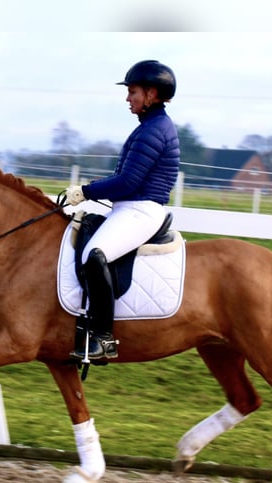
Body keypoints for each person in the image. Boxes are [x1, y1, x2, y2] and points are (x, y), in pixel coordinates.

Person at [64, 59, 180, 361]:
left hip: (140, 210)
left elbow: (128, 181)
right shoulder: (150, 126)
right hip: (130, 207)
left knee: (94, 255)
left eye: (133, 92)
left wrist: (85, 192)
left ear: (152, 94)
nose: (128, 98)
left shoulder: (154, 130)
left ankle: (103, 338)